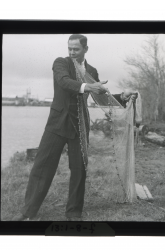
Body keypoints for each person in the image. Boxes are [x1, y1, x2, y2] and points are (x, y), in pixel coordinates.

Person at [12, 34, 136, 221]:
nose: (71, 52)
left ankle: (74, 212)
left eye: (76, 49)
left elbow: (100, 96)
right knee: (42, 167)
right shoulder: (61, 63)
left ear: (86, 49)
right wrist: (89, 86)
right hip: (57, 123)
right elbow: (65, 82)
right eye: (69, 48)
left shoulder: (92, 70)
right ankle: (28, 212)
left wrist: (121, 98)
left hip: (80, 125)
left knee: (79, 169)